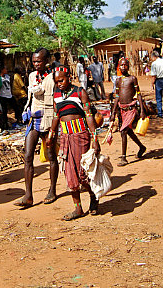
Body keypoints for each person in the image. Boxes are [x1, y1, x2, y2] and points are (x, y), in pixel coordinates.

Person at [49, 67, 99, 220]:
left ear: (69, 77)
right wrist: (51, 133)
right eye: (56, 82)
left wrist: (95, 139)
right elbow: (56, 116)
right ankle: (78, 209)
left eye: (61, 80)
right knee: (70, 173)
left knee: (82, 173)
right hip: (65, 137)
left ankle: (93, 196)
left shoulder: (79, 92)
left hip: (80, 136)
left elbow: (89, 115)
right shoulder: (56, 95)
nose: (59, 84)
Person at [15, 47, 58, 207]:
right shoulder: (32, 76)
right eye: (34, 61)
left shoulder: (53, 77)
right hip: (34, 118)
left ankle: (52, 190)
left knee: (51, 156)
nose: (36, 64)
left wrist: (54, 126)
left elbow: (57, 100)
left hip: (48, 118)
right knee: (28, 156)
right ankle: (28, 195)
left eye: (39, 61)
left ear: (46, 61)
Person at [109, 57, 147, 166]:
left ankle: (123, 158)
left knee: (123, 131)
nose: (123, 67)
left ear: (128, 66)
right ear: (118, 67)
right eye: (121, 65)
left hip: (131, 109)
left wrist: (142, 110)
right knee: (128, 131)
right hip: (122, 110)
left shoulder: (132, 79)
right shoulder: (118, 80)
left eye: (125, 65)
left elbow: (138, 94)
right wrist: (113, 113)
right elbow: (117, 97)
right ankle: (141, 147)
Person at [0, 65, 18, 129]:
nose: (7, 70)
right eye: (5, 69)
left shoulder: (7, 76)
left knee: (16, 107)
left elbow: (10, 85)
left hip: (9, 95)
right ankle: (5, 125)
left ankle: (17, 121)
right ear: (2, 70)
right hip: (3, 96)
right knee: (4, 111)